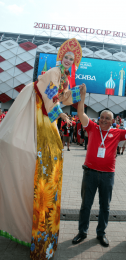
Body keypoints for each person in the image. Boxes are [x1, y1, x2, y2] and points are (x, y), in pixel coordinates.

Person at [0, 38, 83, 260]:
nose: (68, 60)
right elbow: (50, 97)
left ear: (74, 63)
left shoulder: (64, 77)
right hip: (36, 107)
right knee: (40, 149)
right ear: (60, 57)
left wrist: (77, 94)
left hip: (45, 110)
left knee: (48, 152)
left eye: (71, 59)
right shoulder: (56, 71)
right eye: (66, 56)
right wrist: (61, 113)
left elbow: (62, 97)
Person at [72, 84, 126, 247]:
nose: (103, 120)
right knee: (86, 205)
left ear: (112, 121)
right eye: (102, 117)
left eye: (107, 118)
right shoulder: (92, 128)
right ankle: (82, 232)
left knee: (105, 206)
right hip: (89, 173)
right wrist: (82, 99)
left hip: (107, 175)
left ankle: (101, 233)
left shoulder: (117, 132)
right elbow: (81, 114)